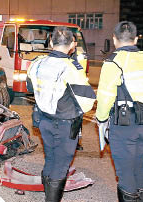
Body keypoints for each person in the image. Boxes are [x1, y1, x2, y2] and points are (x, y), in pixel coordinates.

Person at [95, 21, 143, 202]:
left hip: (125, 125)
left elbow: (105, 96)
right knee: (138, 165)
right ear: (136, 39)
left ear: (114, 39)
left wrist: (101, 120)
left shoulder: (113, 61)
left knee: (125, 172)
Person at [27, 27, 96, 202]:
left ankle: (48, 194)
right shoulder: (71, 67)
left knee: (50, 158)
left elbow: (30, 87)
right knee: (61, 164)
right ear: (72, 45)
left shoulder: (37, 62)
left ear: (50, 42)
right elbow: (87, 100)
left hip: (43, 119)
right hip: (64, 123)